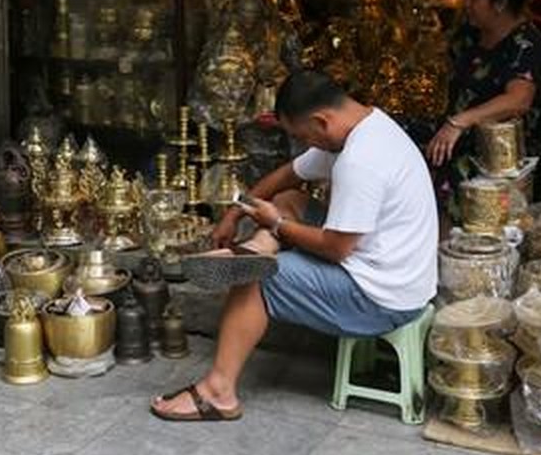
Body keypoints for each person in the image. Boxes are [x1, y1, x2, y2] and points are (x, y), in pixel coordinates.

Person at [151, 71, 438, 422]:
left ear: (321, 121)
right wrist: (234, 211)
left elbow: (336, 249)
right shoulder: (365, 125)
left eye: (303, 136)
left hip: (382, 299)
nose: (305, 144)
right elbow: (287, 175)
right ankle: (256, 250)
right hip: (395, 271)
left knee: (258, 279)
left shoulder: (361, 160)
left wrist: (276, 224)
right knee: (289, 199)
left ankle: (218, 393)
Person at [425, 0, 541, 215]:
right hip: (456, 135)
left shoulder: (526, 44)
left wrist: (459, 122)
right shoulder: (470, 35)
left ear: (500, 4)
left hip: (496, 153)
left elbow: (519, 100)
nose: (466, 4)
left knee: (443, 176)